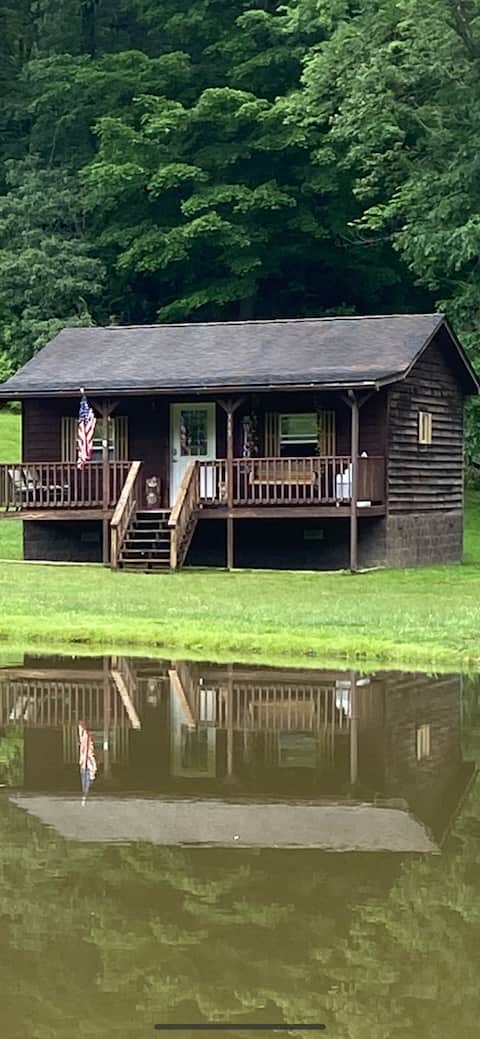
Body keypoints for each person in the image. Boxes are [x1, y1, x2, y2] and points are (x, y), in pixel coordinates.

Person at [78, 721, 97, 805]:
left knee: (86, 781)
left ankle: (85, 796)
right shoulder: (84, 738)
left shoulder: (86, 738)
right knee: (85, 781)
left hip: (87, 763)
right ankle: (85, 796)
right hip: (85, 763)